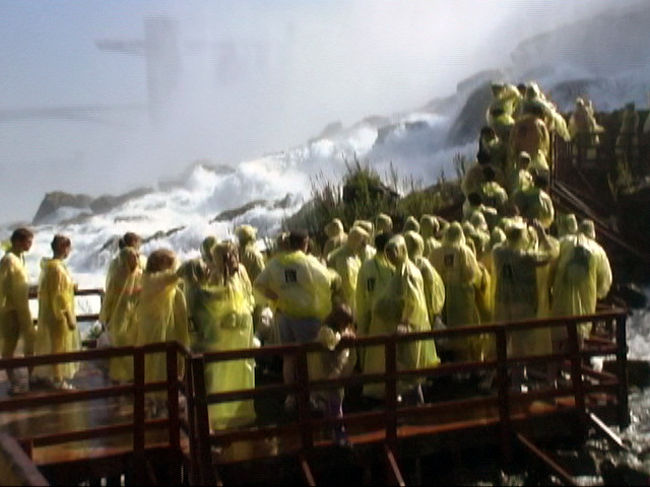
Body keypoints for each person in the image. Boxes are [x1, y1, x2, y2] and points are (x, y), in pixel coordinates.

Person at [254, 230, 341, 411]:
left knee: (289, 357)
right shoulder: (308, 262)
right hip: (307, 316)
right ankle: (312, 395)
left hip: (284, 315)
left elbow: (259, 284)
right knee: (311, 357)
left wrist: (276, 297)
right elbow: (327, 280)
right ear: (305, 243)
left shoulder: (275, 263)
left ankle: (291, 397)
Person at [372, 235, 439, 403]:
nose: (390, 256)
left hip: (410, 327)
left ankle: (416, 407)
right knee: (407, 369)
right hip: (407, 325)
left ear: (402, 250)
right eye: (387, 253)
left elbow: (413, 301)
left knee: (409, 369)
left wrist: (405, 322)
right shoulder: (401, 269)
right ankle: (416, 405)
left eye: (393, 252)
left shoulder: (407, 272)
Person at [203, 241, 256, 430]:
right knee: (226, 369)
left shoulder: (238, 272)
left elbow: (249, 295)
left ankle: (241, 412)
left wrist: (243, 312)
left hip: (240, 327)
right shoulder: (217, 276)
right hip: (227, 330)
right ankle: (225, 414)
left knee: (241, 366)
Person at [134, 249, 190, 417]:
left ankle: (165, 400)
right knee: (158, 364)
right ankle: (159, 402)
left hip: (168, 327)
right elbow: (174, 276)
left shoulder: (160, 282)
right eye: (171, 263)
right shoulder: (151, 280)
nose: (174, 267)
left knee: (169, 362)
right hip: (157, 329)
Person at [550, 220, 612, 349]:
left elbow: (551, 265)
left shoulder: (564, 242)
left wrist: (549, 286)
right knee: (579, 336)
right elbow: (606, 279)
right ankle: (575, 366)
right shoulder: (598, 251)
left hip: (561, 299)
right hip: (585, 302)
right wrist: (598, 294)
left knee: (557, 339)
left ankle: (554, 367)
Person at [33, 235, 81, 390]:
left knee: (55, 346)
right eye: (69, 247)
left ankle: (53, 376)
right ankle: (58, 379)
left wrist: (71, 286)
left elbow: (57, 288)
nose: (70, 251)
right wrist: (68, 316)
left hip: (50, 313)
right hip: (58, 316)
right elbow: (60, 295)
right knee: (58, 348)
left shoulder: (49, 266)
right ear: (63, 247)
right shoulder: (57, 268)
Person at [429, 222, 481, 361]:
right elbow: (472, 275)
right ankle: (463, 366)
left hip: (442, 295)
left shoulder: (436, 252)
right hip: (462, 297)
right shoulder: (464, 251)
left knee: (443, 330)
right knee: (462, 331)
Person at [312, 304, 357, 446]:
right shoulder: (326, 331)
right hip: (328, 372)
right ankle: (339, 435)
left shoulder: (339, 330)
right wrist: (343, 339)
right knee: (334, 403)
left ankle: (331, 433)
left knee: (333, 403)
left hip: (336, 373)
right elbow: (331, 343)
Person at [356, 232, 395, 390]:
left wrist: (363, 323)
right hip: (395, 319)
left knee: (378, 358)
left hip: (375, 319)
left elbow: (361, 298)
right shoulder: (396, 265)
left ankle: (381, 391)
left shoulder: (366, 267)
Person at [0, 228, 35, 394]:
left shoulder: (20, 258)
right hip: (10, 310)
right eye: (28, 242)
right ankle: (14, 382)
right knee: (9, 346)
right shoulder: (8, 260)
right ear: (18, 241)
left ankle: (30, 378)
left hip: (22, 308)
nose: (30, 245)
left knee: (30, 342)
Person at [105, 247, 142, 383]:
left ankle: (133, 376)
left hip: (135, 316)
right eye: (133, 257)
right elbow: (109, 298)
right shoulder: (117, 276)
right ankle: (122, 377)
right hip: (119, 316)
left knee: (133, 345)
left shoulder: (140, 275)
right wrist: (106, 317)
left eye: (137, 257)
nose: (136, 260)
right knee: (121, 346)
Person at [177, 237, 215, 352]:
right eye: (204, 268)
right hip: (204, 338)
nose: (207, 269)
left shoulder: (185, 288)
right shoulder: (200, 292)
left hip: (192, 337)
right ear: (198, 272)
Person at [327, 226, 369, 315]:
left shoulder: (353, 255)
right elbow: (346, 286)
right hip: (345, 304)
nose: (364, 245)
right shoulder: (343, 258)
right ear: (355, 240)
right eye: (362, 242)